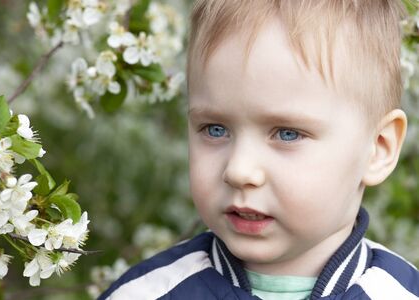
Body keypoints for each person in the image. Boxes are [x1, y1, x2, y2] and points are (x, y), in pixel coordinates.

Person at [99, 1, 419, 299]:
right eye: (215, 129)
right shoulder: (147, 293)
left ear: (378, 148)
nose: (238, 170)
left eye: (287, 134)